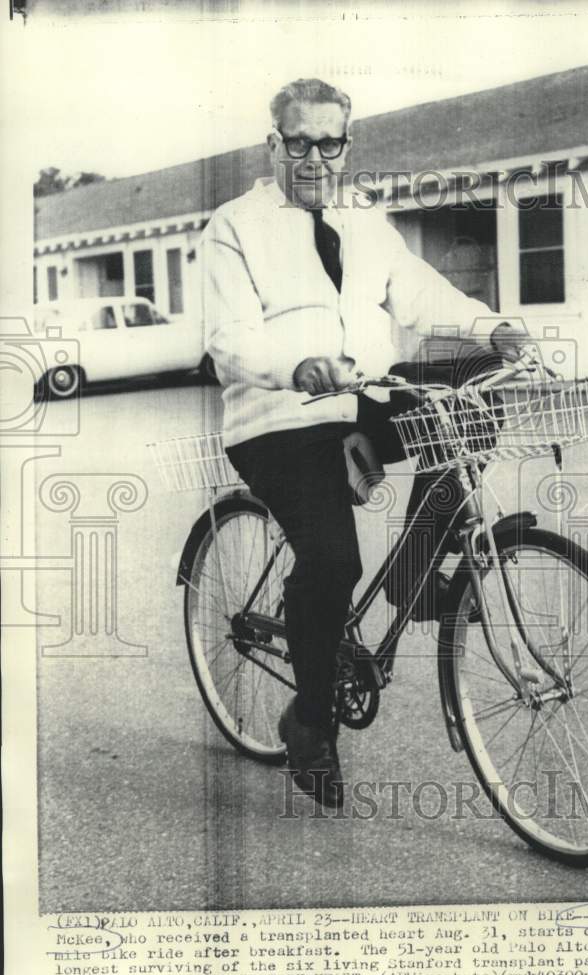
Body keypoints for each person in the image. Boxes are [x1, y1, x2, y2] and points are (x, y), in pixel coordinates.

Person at [200, 78, 528, 808]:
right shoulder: (234, 225)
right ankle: (310, 719)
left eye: (330, 142)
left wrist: (491, 327)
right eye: (299, 141)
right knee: (334, 559)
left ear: (346, 144)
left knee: (472, 390)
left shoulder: (361, 219)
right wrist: (296, 366)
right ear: (273, 142)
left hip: (358, 401)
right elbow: (227, 337)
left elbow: (416, 289)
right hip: (278, 416)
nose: (315, 157)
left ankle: (414, 582)